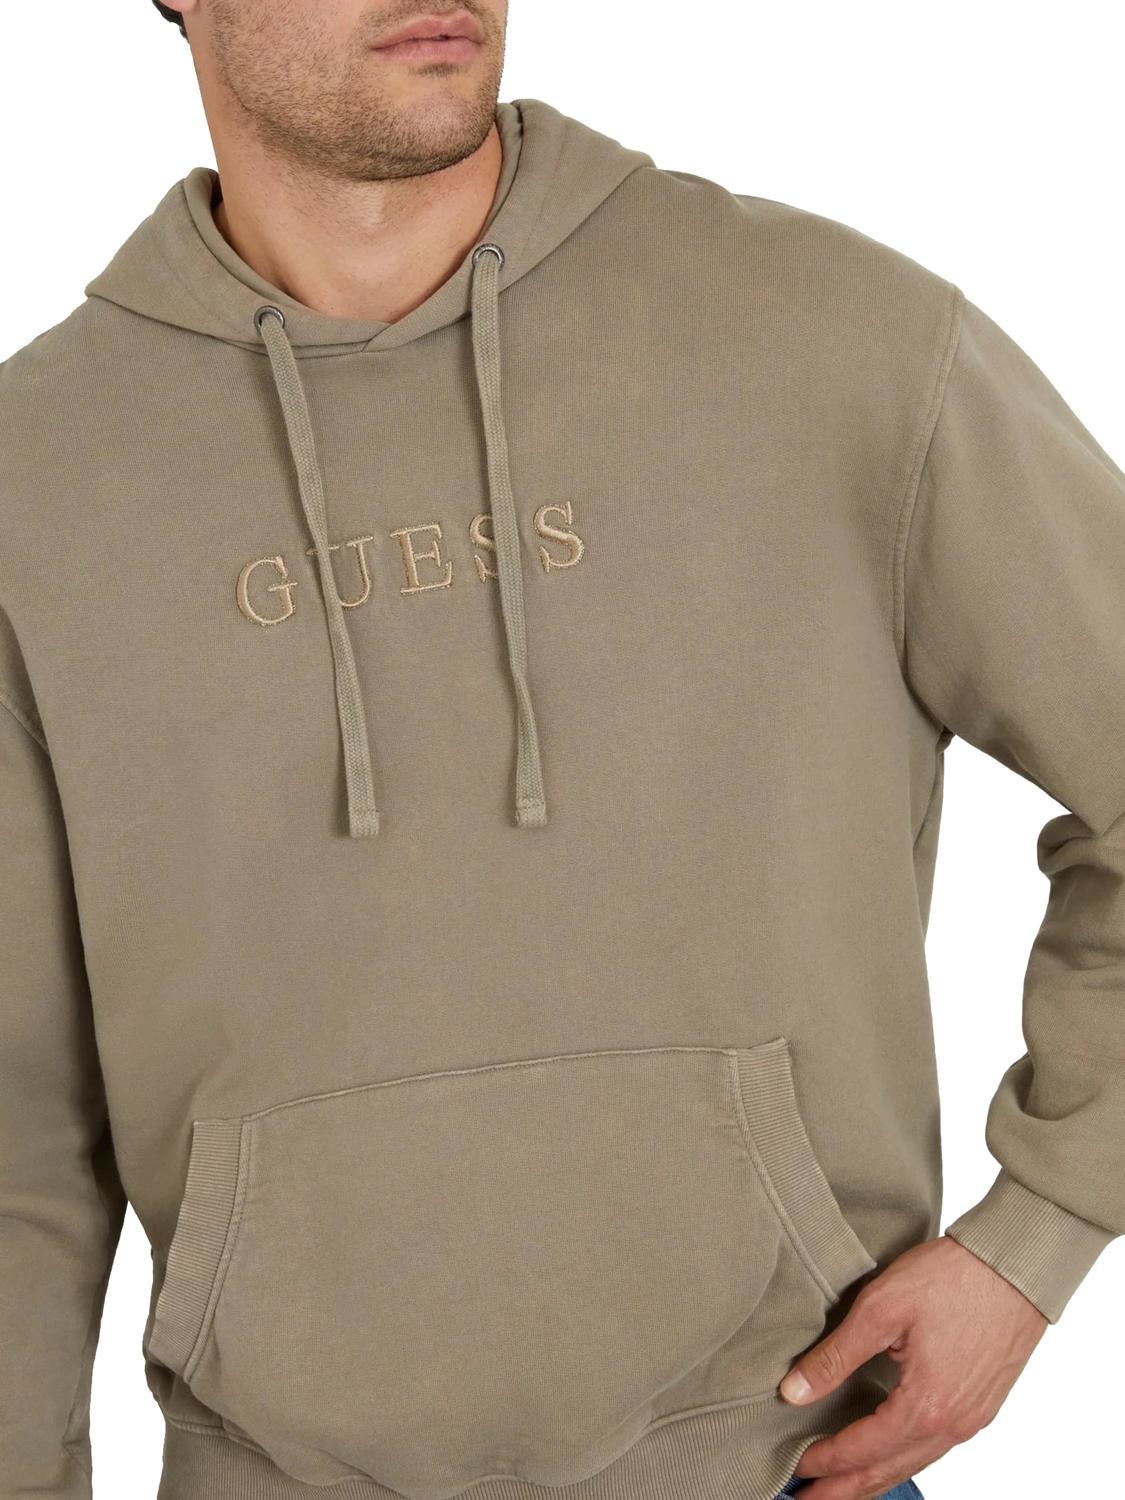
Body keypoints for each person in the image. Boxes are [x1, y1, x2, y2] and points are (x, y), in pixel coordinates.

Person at [2, 3, 1122, 1498]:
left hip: (784, 1463)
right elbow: (14, 1130)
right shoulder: (38, 481)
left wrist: (1038, 1235)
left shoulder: (828, 339)